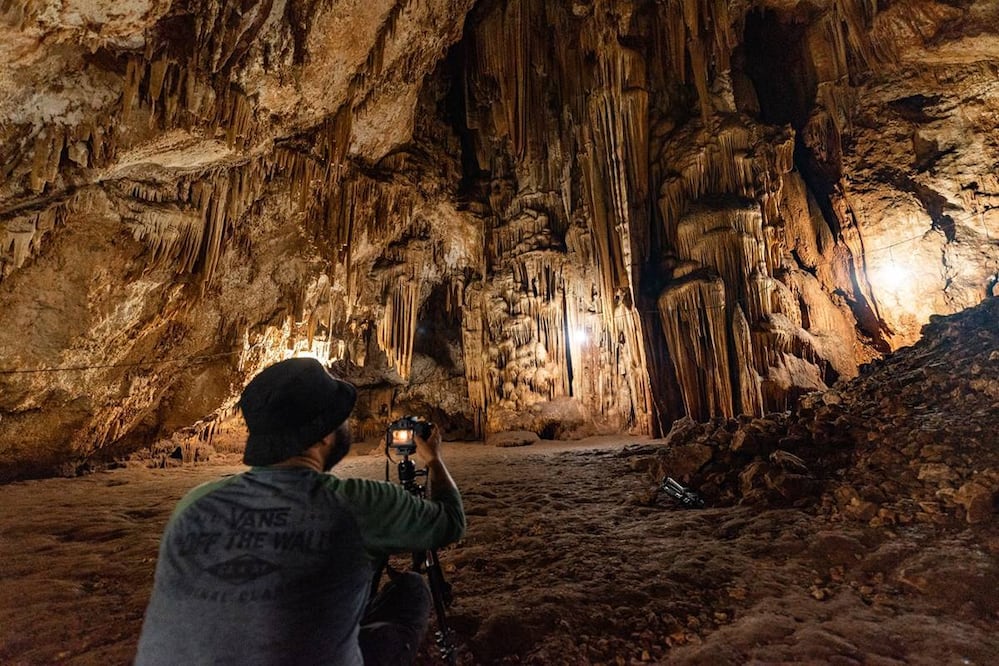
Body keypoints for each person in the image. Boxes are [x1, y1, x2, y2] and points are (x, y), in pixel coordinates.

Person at [135, 357, 465, 665]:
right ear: (323, 436)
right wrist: (434, 460)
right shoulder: (357, 502)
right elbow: (450, 521)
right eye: (340, 420)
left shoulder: (195, 503)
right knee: (411, 590)